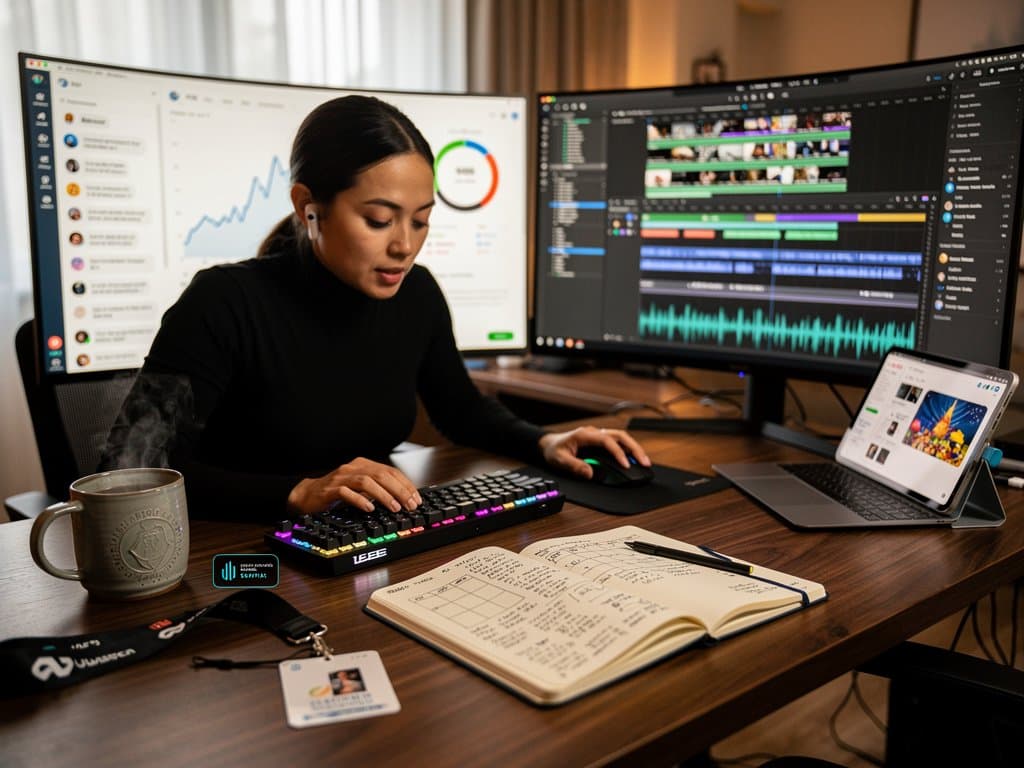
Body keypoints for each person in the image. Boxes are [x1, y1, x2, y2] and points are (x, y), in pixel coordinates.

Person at [101, 95, 649, 520]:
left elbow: (462, 411)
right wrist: (298, 492)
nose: (404, 246)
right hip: (237, 561)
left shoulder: (418, 294)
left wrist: (545, 440)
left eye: (420, 219)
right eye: (380, 220)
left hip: (358, 542)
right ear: (307, 206)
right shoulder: (223, 302)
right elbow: (130, 470)